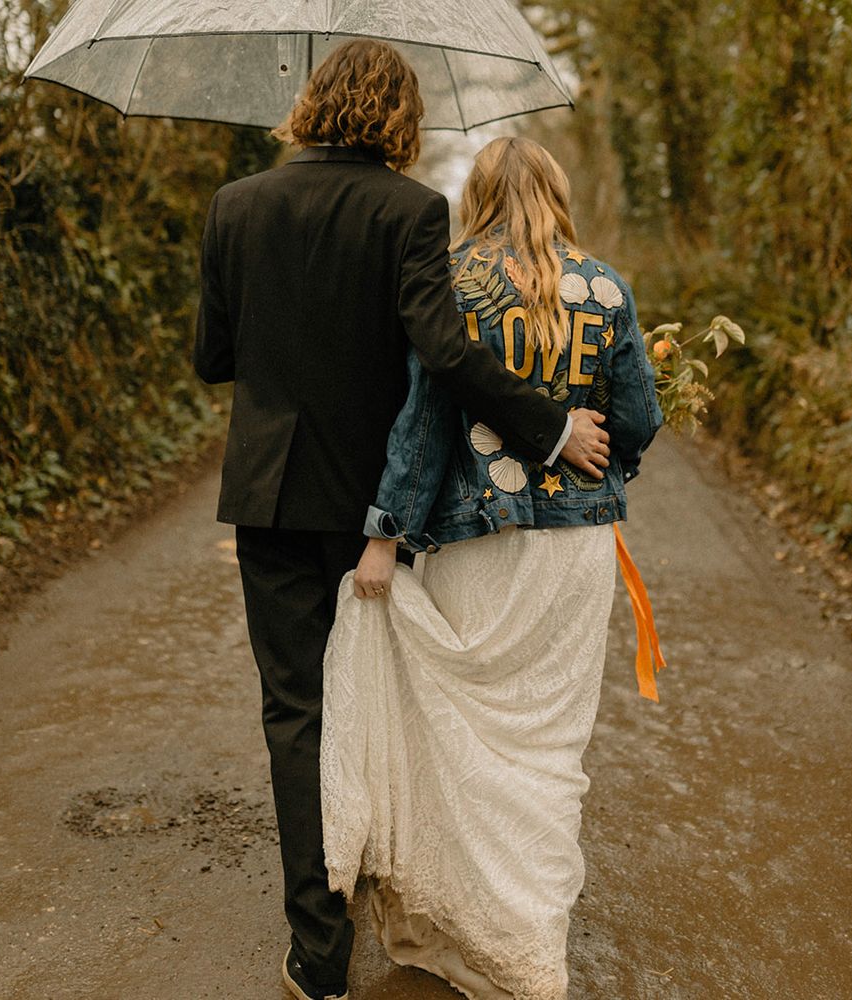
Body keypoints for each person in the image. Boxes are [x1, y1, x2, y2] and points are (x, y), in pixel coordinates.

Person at [192, 42, 611, 1000]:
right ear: (398, 120)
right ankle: (389, 879)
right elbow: (447, 351)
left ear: (310, 103)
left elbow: (214, 356)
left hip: (268, 495)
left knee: (295, 711)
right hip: (372, 500)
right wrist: (548, 428)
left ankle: (319, 954)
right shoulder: (411, 212)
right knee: (382, 692)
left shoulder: (236, 207)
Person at [320, 136, 663, 1000]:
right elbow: (640, 418)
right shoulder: (607, 286)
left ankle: (470, 931)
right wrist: (605, 471)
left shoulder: (455, 284)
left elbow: (422, 428)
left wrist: (385, 535)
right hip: (572, 554)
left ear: (476, 195)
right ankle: (531, 944)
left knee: (467, 736)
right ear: (556, 189)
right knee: (550, 747)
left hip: (479, 544)